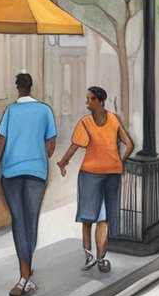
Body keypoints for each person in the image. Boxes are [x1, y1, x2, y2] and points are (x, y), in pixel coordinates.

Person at [0, 73, 58, 296]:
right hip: (36, 172)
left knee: (18, 222)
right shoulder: (45, 111)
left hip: (11, 172)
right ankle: (25, 273)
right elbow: (50, 148)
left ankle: (24, 275)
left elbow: (1, 143)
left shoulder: (10, 111)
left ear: (17, 87)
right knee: (31, 221)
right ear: (31, 87)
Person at [55, 87, 133, 274]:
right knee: (88, 217)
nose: (87, 102)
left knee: (102, 217)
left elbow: (129, 144)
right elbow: (75, 145)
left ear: (100, 101)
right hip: (91, 174)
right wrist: (63, 162)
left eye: (91, 99)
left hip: (107, 175)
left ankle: (99, 257)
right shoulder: (86, 123)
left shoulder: (112, 119)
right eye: (87, 99)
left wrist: (119, 162)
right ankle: (89, 254)